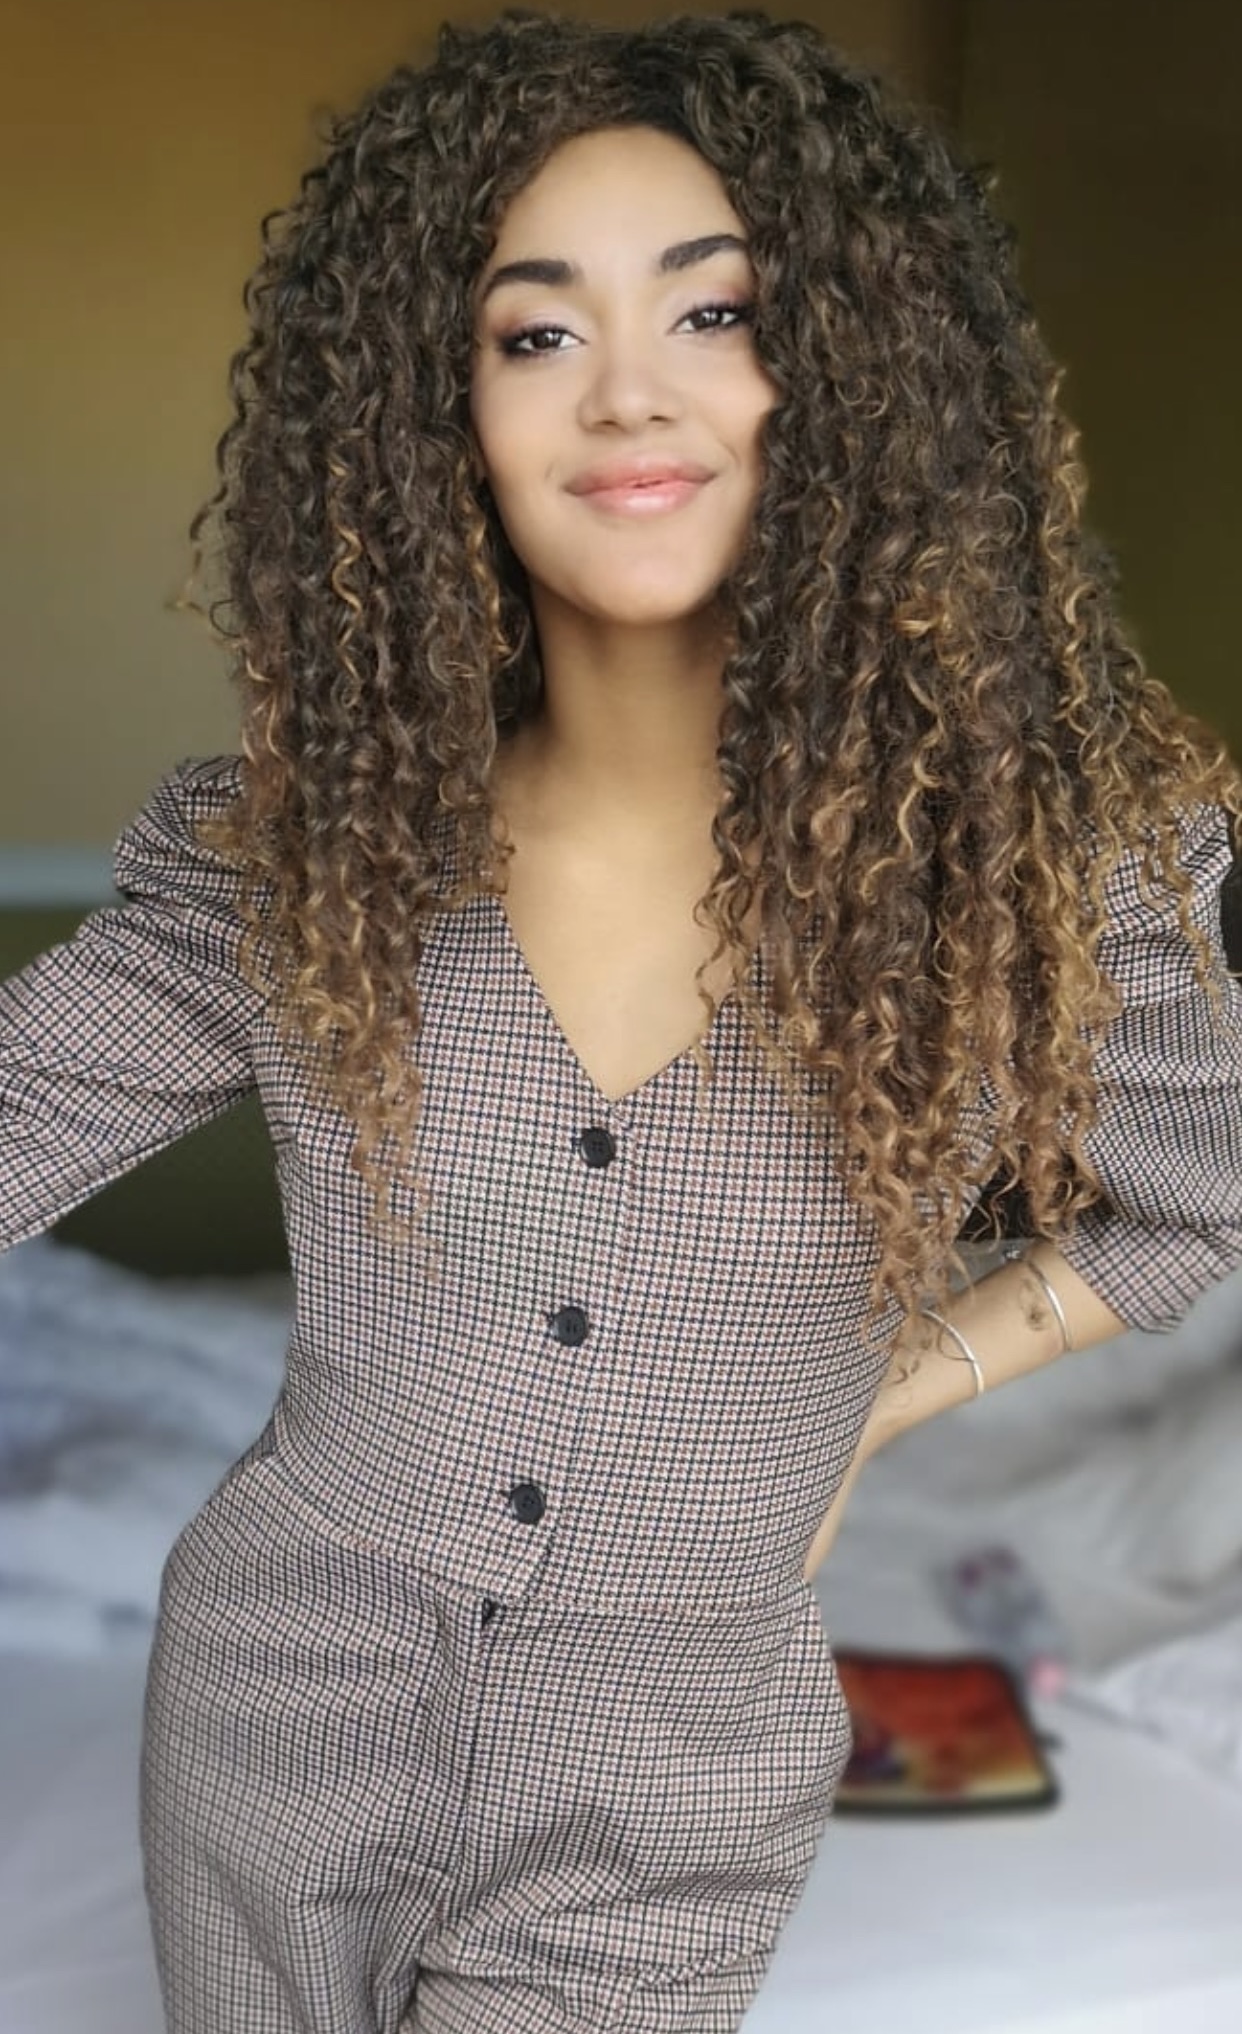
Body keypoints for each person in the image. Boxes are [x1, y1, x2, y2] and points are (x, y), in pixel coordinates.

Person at [3, 10, 1240, 2031]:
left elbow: (1199, 1200)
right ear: (438, 418)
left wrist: (882, 1389)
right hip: (269, 1734)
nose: (628, 393)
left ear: (856, 374)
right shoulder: (303, 859)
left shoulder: (1033, 877)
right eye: (535, 332)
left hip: (670, 1788)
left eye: (716, 312)